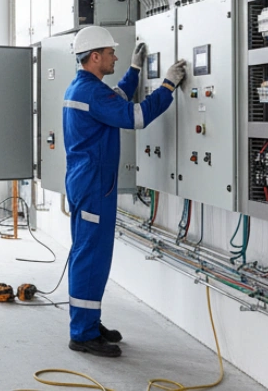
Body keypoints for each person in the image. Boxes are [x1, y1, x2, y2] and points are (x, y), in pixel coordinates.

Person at [63, 26, 186, 358]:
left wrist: (134, 69)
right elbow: (136, 115)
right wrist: (168, 85)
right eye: (112, 52)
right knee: (91, 256)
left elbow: (115, 98)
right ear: (95, 57)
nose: (115, 56)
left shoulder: (87, 88)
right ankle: (83, 333)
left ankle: (88, 321)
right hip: (93, 186)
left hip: (87, 182)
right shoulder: (90, 92)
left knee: (89, 254)